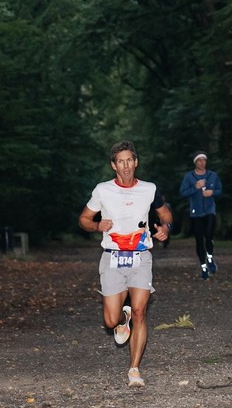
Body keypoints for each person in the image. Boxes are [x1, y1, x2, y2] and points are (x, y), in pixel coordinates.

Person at [79, 140, 173, 387]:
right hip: (112, 258)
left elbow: (165, 214)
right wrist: (97, 225)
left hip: (140, 257)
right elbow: (84, 219)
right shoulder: (103, 190)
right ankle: (123, 319)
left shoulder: (149, 189)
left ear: (136, 162)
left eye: (129, 160)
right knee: (110, 320)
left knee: (141, 311)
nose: (126, 166)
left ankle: (134, 369)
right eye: (121, 162)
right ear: (114, 165)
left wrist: (166, 228)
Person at [179, 152, 222, 280]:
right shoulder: (189, 177)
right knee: (199, 240)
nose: (202, 163)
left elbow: (220, 189)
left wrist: (212, 192)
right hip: (196, 213)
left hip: (210, 211)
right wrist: (195, 187)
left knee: (209, 236)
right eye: (199, 160)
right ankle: (203, 268)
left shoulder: (212, 176)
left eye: (204, 160)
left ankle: (210, 258)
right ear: (195, 162)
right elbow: (183, 192)